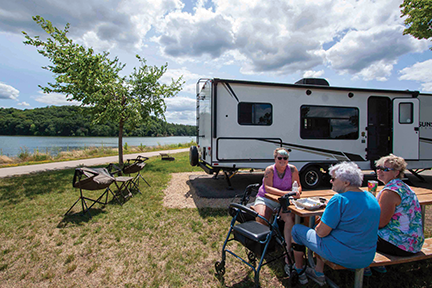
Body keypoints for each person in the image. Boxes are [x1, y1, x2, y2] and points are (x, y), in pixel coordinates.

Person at [291, 162, 380, 285]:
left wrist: (319, 225)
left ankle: (299, 269)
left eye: (333, 179)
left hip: (344, 255)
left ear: (346, 183)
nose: (331, 181)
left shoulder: (339, 200)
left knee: (296, 229)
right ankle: (318, 270)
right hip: (367, 256)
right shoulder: (372, 197)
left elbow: (321, 233)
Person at [365, 154, 424, 276]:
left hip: (402, 245)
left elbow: (381, 223)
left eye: (385, 169)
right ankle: (377, 265)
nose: (380, 171)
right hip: (414, 242)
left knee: (356, 232)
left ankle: (363, 266)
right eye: (379, 167)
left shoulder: (390, 192)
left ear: (396, 173)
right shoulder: (403, 187)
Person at [253, 147, 302, 275]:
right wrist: (287, 193)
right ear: (275, 159)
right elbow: (268, 189)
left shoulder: (292, 169)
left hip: (284, 201)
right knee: (262, 217)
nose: (282, 160)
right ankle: (259, 246)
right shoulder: (269, 170)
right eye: (279, 158)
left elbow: (298, 185)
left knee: (290, 219)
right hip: (266, 199)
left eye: (285, 158)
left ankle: (288, 251)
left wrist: (297, 191)